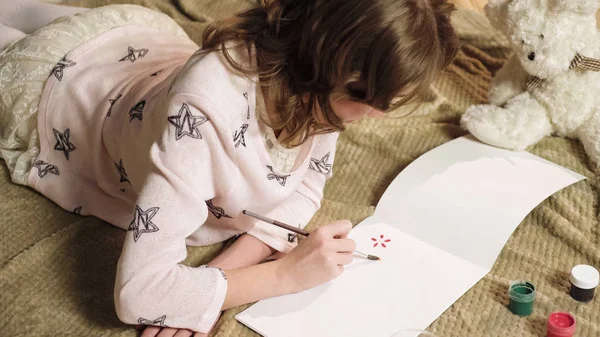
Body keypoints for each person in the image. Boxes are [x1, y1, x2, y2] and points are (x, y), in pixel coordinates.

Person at [0, 0, 460, 336]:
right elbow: (138, 295)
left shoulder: (322, 89)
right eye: (370, 101)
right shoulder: (202, 116)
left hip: (143, 53)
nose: (375, 116)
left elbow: (306, 187)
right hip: (68, 96)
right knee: (23, 40)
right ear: (329, 69)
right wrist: (283, 276)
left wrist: (225, 273)